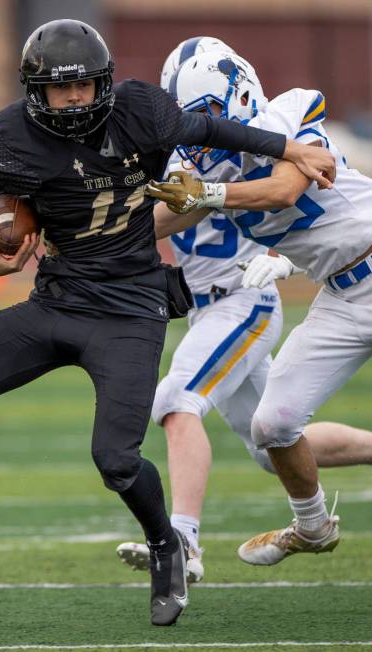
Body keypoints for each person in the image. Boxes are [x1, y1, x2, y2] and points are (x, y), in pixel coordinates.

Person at [0, 20, 335, 626]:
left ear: (103, 83)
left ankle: (169, 545)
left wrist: (286, 147)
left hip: (131, 310)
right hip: (57, 302)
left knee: (116, 459)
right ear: (37, 92)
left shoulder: (140, 110)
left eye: (85, 85)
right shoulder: (12, 134)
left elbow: (208, 125)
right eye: (63, 89)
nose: (77, 97)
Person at [117, 41, 372, 583]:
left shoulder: (290, 108)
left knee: (187, 403)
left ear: (238, 88)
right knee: (272, 425)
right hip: (343, 295)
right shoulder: (198, 156)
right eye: (194, 118)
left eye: (207, 111)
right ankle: (312, 526)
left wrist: (206, 193)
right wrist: (76, 237)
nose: (203, 126)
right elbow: (164, 218)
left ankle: (184, 537)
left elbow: (283, 190)